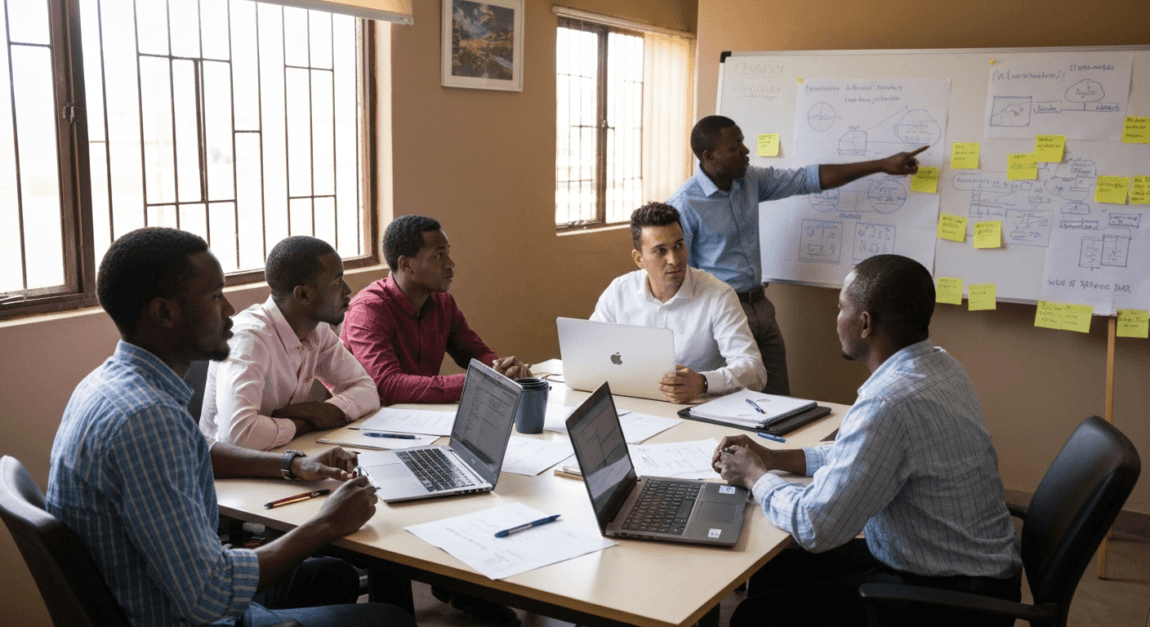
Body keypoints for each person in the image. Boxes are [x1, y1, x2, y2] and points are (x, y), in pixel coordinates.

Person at [45, 227, 413, 627]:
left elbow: (200, 452)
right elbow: (209, 594)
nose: (230, 310)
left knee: (333, 574)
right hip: (182, 615)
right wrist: (325, 524)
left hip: (155, 591)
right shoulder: (147, 419)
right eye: (215, 296)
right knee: (389, 619)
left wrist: (292, 465)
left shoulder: (110, 384)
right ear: (165, 313)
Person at [711, 254, 1022, 627]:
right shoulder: (941, 366)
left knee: (753, 616)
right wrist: (773, 458)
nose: (836, 316)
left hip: (952, 600)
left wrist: (754, 476)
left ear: (864, 323)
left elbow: (816, 526)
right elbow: (862, 457)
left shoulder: (887, 404)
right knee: (774, 569)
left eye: (841, 307)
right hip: (971, 570)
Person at [668, 114, 927, 396]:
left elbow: (807, 179)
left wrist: (881, 165)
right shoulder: (685, 204)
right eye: (734, 147)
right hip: (722, 314)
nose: (745, 151)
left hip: (760, 307)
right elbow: (680, 276)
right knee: (726, 398)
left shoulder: (749, 180)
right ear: (709, 156)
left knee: (780, 400)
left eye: (742, 142)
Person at [200, 236, 380, 451]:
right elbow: (238, 436)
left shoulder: (317, 330)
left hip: (283, 453)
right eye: (337, 282)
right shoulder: (249, 338)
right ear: (303, 294)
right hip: (227, 473)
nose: (347, 290)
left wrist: (324, 411)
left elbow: (367, 389)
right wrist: (307, 420)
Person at [341, 214, 530, 405]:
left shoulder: (443, 301)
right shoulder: (368, 310)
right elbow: (387, 387)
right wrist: (479, 382)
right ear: (406, 265)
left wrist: (503, 369)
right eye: (438, 256)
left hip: (420, 416)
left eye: (448, 253)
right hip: (367, 421)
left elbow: (474, 351)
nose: (450, 264)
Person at [591, 203, 765, 403]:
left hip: (697, 409)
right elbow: (593, 352)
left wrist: (703, 383)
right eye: (660, 251)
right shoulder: (619, 291)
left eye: (678, 246)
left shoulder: (718, 295)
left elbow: (755, 371)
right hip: (635, 404)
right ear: (639, 259)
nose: (674, 259)